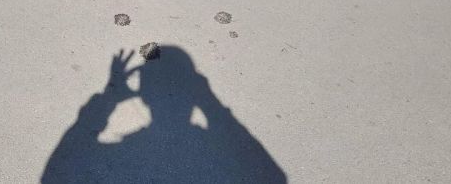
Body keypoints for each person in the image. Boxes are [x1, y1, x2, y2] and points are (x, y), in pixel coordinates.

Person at [42, 46, 286, 183]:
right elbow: (271, 175)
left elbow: (57, 170)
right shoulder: (212, 150)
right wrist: (208, 99)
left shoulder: (117, 156)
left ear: (143, 96)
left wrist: (109, 97)